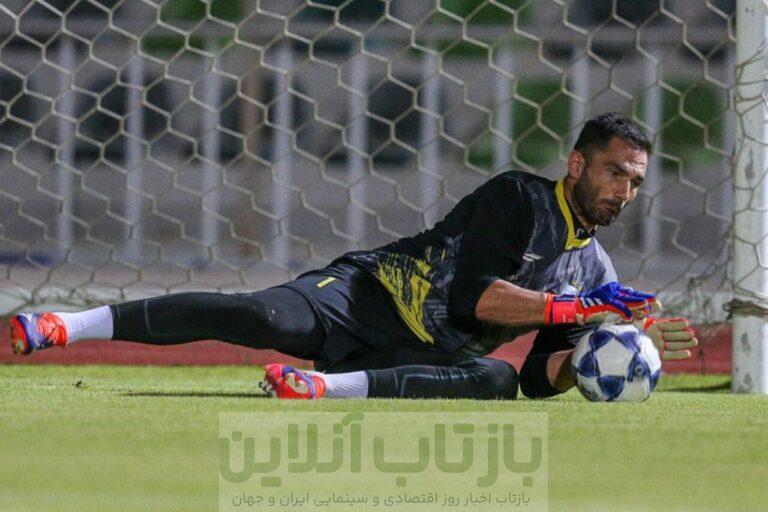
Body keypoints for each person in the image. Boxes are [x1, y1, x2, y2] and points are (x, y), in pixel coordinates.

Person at [9, 112, 698, 400]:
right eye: (614, 172)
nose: (624, 191)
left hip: (413, 353)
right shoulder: (520, 198)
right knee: (262, 319)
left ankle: (321, 389)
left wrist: (600, 351)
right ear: (577, 164)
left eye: (635, 181)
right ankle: (69, 323)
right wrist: (582, 309)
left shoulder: (596, 273)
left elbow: (536, 380)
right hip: (366, 295)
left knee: (494, 382)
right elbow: (473, 298)